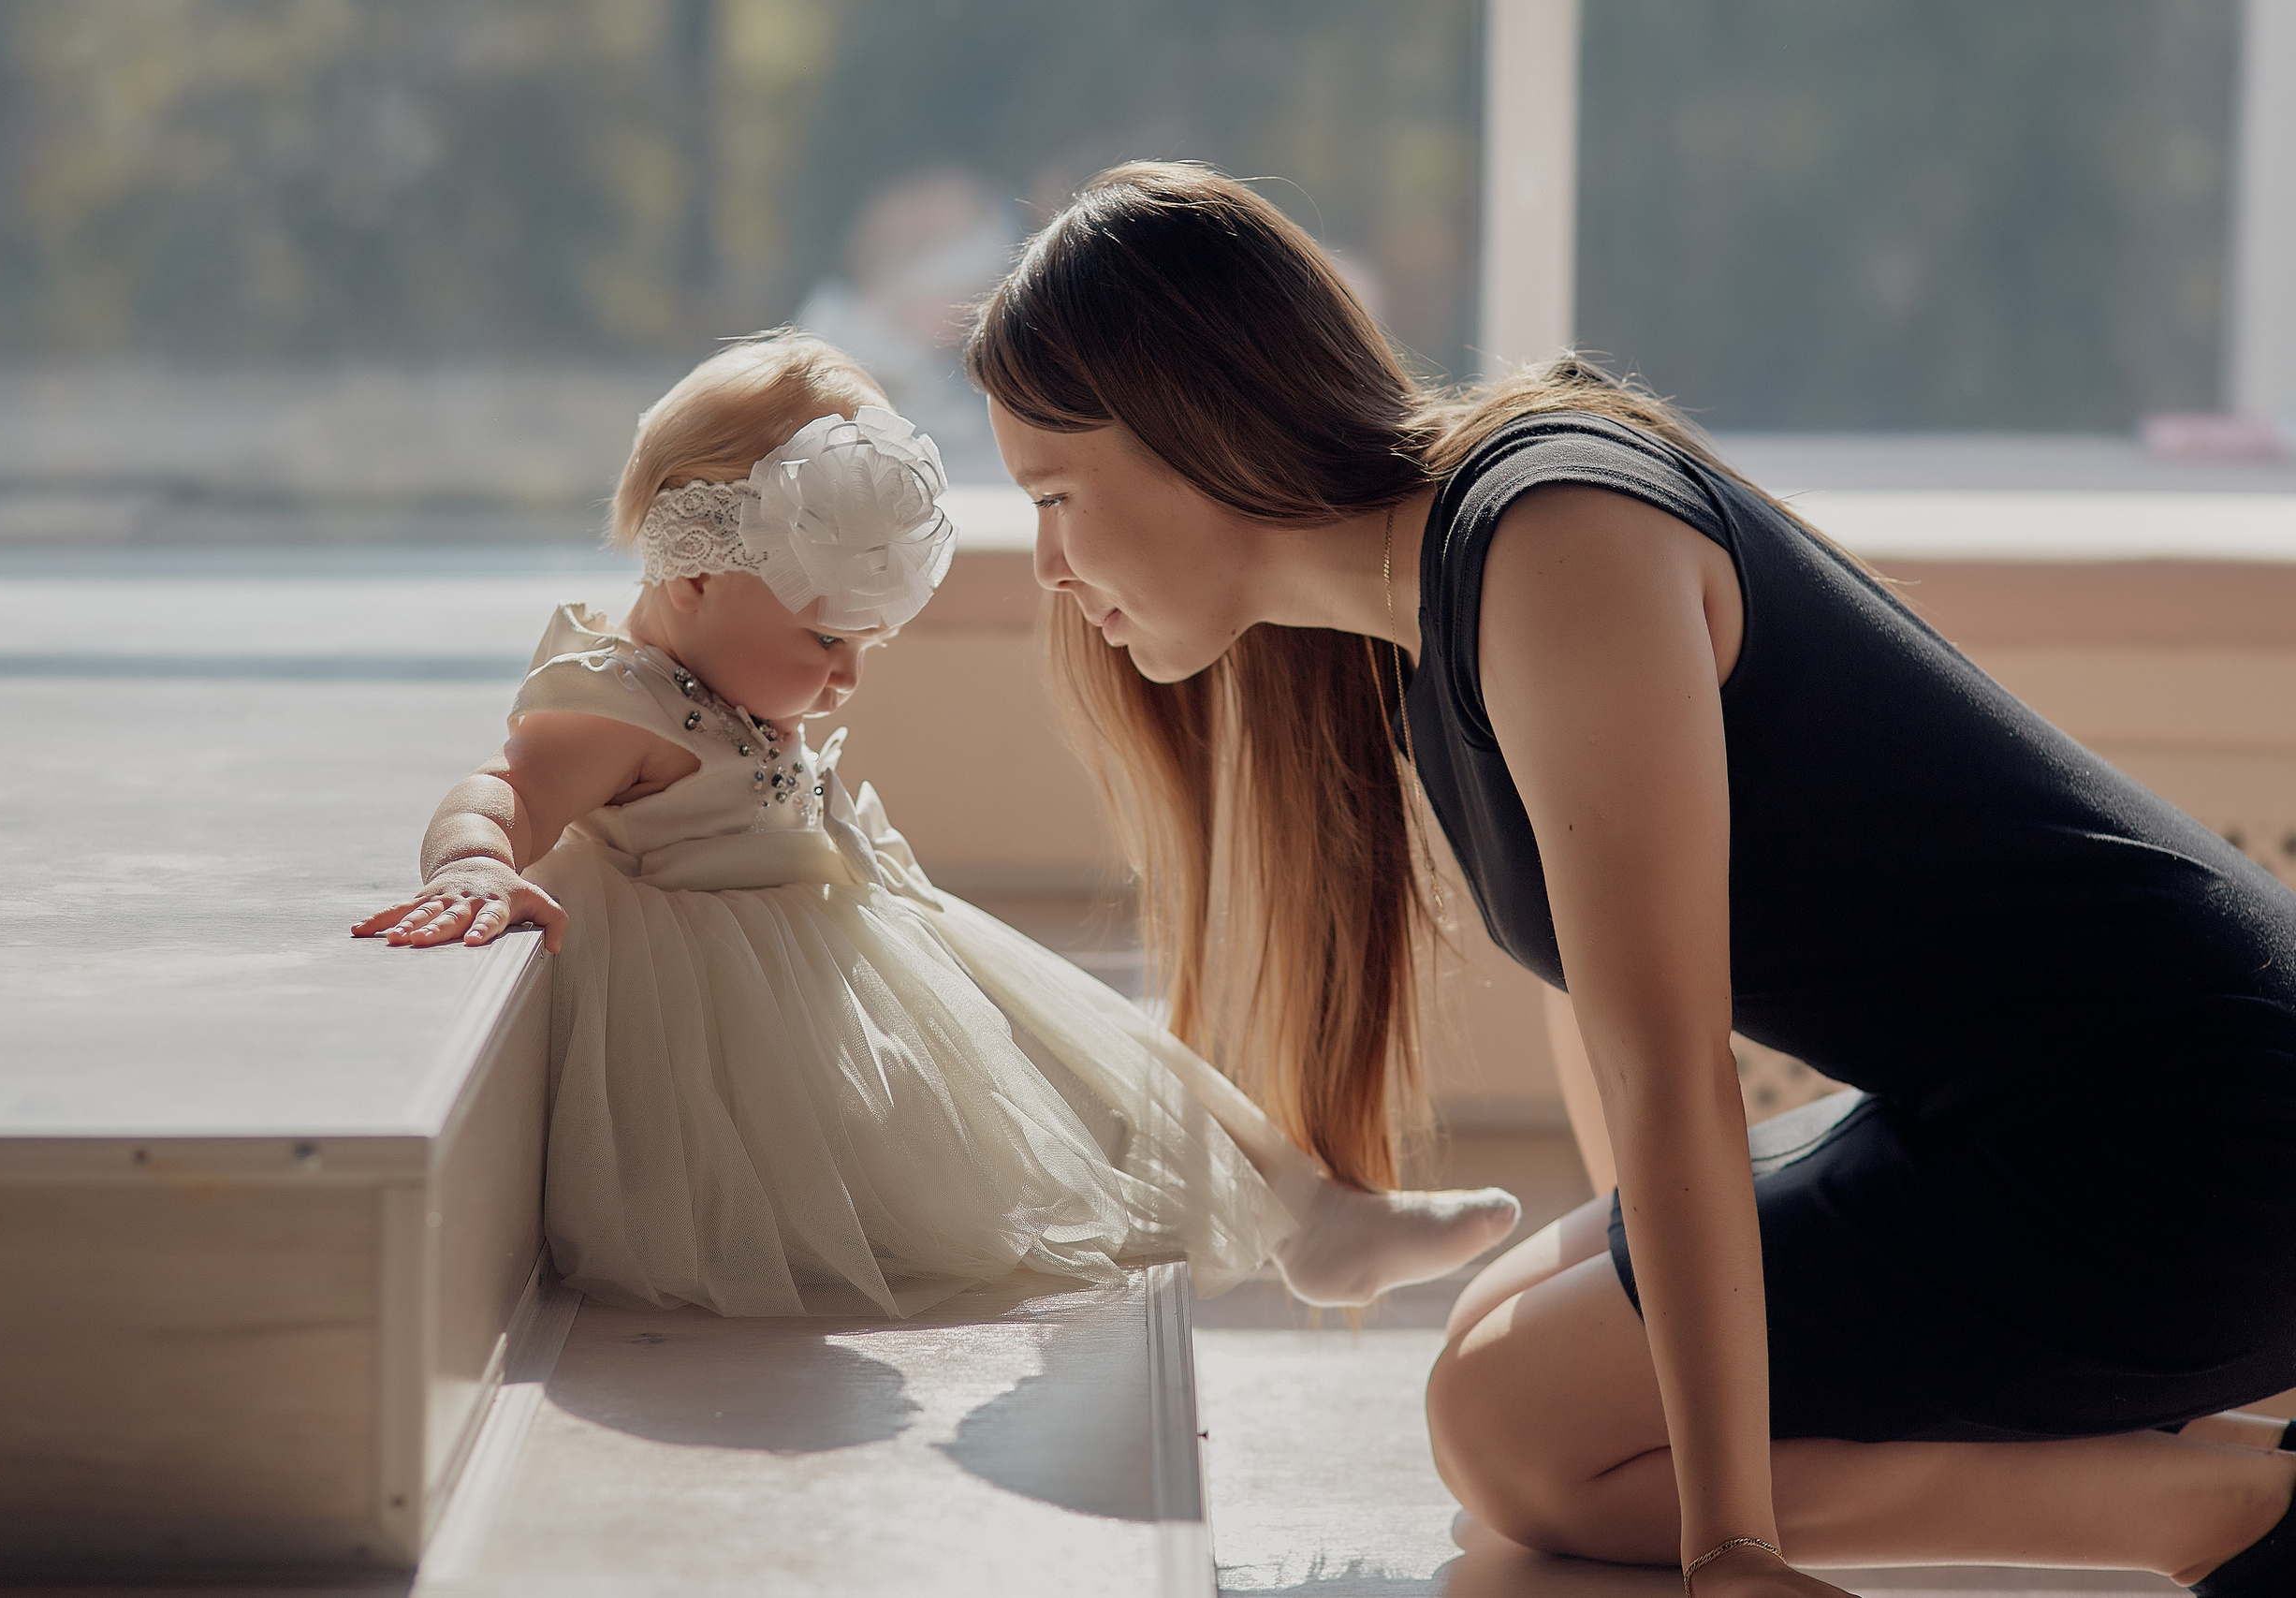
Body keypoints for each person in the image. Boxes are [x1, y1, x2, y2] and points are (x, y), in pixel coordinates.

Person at [961, 163, 2296, 1595]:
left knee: (1513, 1428)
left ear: (1188, 424)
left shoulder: (1550, 537)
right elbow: (1603, 1004)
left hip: (2193, 1140)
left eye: (1053, 492)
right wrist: (1651, 1336)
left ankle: (2220, 1511)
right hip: (2036, 1109)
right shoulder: (1429, 609)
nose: (1045, 563)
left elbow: (1670, 1065)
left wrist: (1729, 1539)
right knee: (1497, 1346)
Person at [351, 331, 1522, 1319]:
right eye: (827, 640)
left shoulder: (725, 676)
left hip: (840, 949)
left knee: (1108, 1046)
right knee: (913, 1159)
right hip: (724, 1013)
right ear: (698, 575)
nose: (847, 680)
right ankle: (1302, 1218)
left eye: (864, 645)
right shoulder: (622, 703)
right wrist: (473, 863)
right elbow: (501, 786)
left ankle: (1313, 1215)